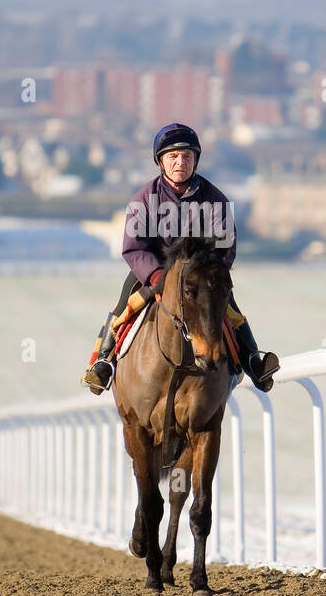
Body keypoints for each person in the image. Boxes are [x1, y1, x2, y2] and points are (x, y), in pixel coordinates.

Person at [82, 123, 280, 395]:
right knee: (122, 308)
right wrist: (157, 277)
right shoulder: (143, 199)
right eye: (173, 157)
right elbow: (133, 248)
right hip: (154, 273)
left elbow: (226, 246)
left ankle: (254, 361)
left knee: (228, 307)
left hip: (201, 276)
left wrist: (209, 271)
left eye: (186, 157)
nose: (180, 163)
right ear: (161, 162)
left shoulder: (216, 200)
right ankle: (102, 364)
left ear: (195, 161)